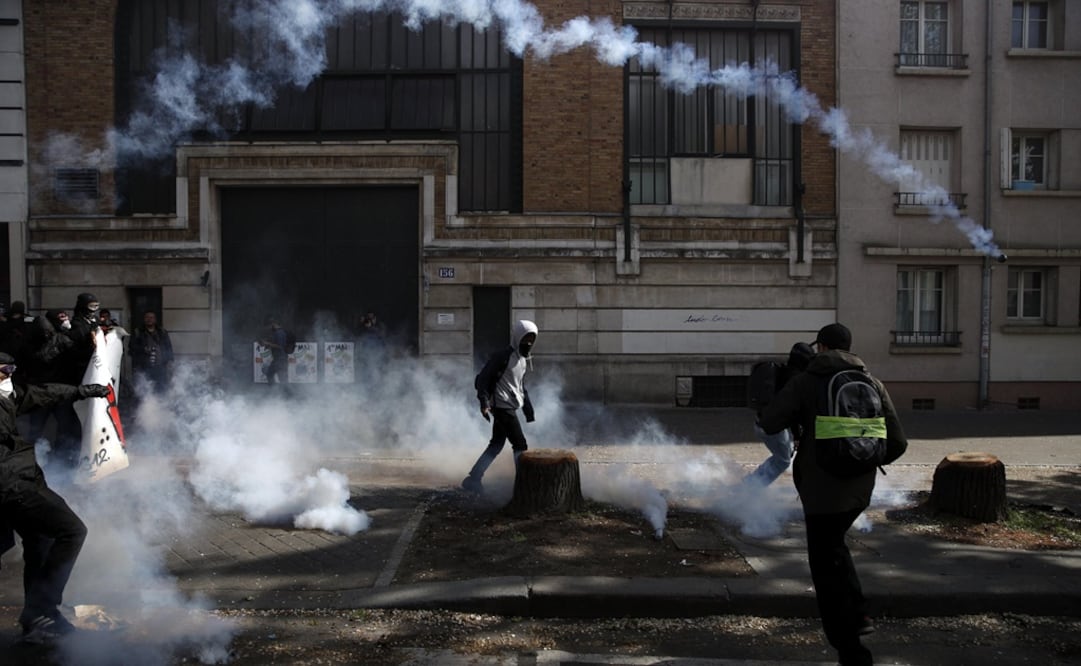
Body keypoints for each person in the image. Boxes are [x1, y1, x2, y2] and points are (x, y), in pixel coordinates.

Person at [759, 323, 908, 666]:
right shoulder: (872, 381)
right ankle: (859, 615)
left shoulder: (808, 380)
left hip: (821, 491)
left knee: (825, 567)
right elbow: (898, 443)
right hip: (858, 490)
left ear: (822, 348)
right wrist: (862, 460)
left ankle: (851, 648)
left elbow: (770, 422)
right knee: (835, 549)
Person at [0, 352, 110, 643]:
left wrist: (81, 391)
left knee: (40, 541)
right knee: (72, 531)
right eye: (4, 371)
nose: (9, 376)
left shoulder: (8, 396)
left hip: (24, 480)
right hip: (13, 487)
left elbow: (41, 393)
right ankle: (44, 608)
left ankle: (35, 617)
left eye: (11, 369)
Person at [462, 320, 538, 494]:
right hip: (502, 406)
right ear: (518, 337)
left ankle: (473, 478)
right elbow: (483, 378)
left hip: (510, 405)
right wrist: (484, 402)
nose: (528, 342)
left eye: (532, 339)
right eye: (526, 338)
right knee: (520, 445)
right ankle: (523, 487)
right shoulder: (502, 356)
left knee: (496, 444)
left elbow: (521, 386)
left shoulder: (523, 360)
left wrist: (528, 410)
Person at [746, 341, 814, 486]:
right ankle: (752, 487)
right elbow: (793, 412)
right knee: (783, 461)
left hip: (762, 422)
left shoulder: (783, 371)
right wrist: (797, 436)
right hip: (773, 428)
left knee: (782, 455)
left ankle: (751, 482)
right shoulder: (796, 380)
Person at [129, 310, 173, 394]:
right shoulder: (138, 332)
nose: (149, 319)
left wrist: (169, 361)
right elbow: (132, 349)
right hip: (144, 368)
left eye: (151, 317)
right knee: (144, 391)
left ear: (155, 319)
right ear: (144, 319)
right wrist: (143, 349)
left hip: (160, 368)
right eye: (147, 317)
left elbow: (168, 347)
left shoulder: (162, 332)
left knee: (161, 390)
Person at [258, 315, 289, 387]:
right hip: (280, 359)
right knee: (279, 378)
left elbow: (280, 346)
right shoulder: (280, 332)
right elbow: (277, 345)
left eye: (269, 326)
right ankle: (282, 394)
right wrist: (268, 345)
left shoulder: (279, 333)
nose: (269, 328)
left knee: (272, 375)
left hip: (280, 359)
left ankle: (276, 392)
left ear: (273, 324)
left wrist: (267, 343)